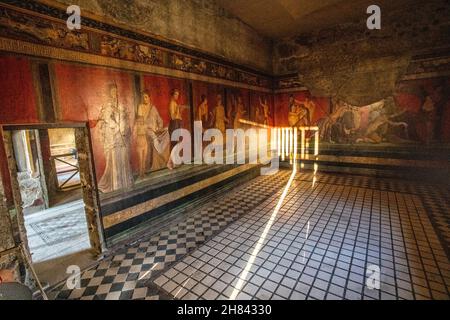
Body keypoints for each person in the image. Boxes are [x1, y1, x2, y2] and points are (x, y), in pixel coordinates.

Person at [96, 83, 133, 193]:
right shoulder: (108, 105)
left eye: (116, 91)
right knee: (115, 159)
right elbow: (107, 119)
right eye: (113, 91)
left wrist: (124, 125)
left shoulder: (120, 104)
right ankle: (116, 184)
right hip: (113, 136)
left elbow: (124, 116)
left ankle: (124, 182)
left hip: (122, 135)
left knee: (123, 157)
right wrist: (117, 127)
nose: (115, 93)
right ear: (110, 93)